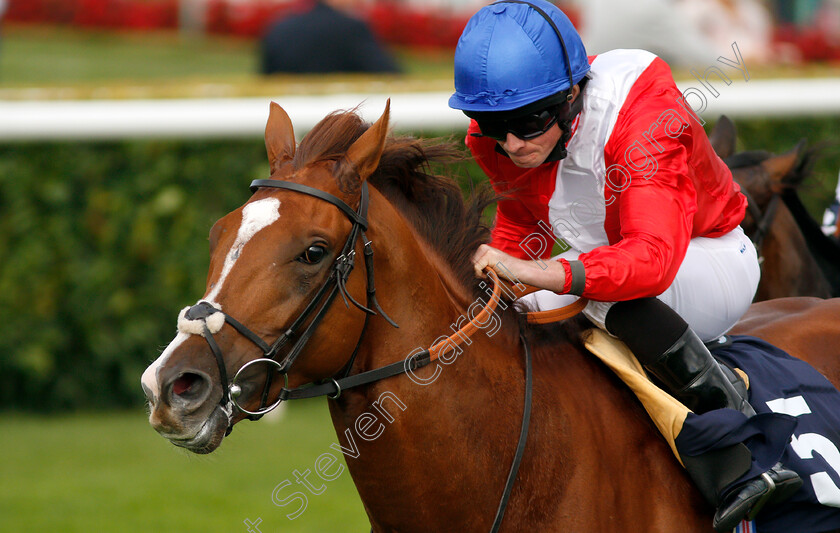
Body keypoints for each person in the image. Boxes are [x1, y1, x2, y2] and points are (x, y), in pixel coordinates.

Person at [448, 1, 801, 531]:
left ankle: (740, 450)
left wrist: (543, 273)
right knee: (511, 310)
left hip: (708, 259)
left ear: (572, 95)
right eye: (493, 123)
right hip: (619, 267)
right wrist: (503, 282)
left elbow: (651, 261)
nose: (511, 143)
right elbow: (522, 227)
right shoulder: (499, 137)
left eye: (527, 122)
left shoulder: (643, 119)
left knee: (584, 292)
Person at [259, 0, 400, 75]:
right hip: (337, 122)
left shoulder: (280, 25)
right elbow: (391, 75)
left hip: (288, 116)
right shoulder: (351, 28)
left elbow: (265, 78)